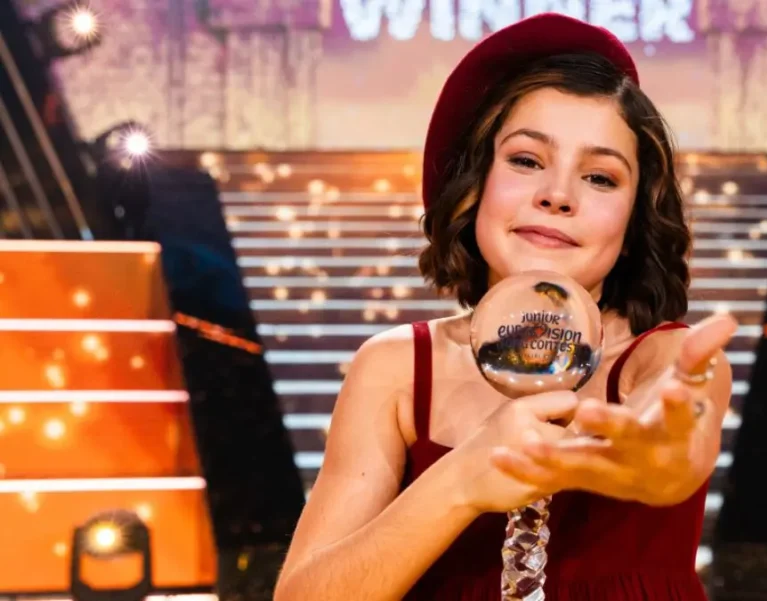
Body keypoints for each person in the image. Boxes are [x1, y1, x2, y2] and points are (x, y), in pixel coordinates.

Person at [274, 13, 738, 601]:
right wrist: (461, 480)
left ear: (635, 219)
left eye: (600, 177)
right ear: (473, 184)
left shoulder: (670, 359)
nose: (557, 195)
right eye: (526, 160)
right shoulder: (394, 367)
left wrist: (661, 452)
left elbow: (676, 442)